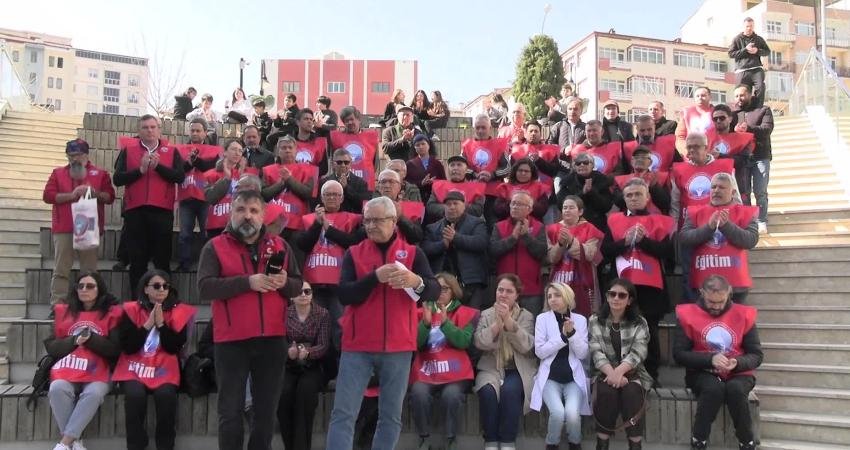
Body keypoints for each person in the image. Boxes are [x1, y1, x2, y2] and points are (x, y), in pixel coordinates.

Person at [325, 196, 440, 450]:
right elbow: (345, 294)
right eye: (367, 220)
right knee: (344, 414)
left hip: (398, 346)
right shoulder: (354, 253)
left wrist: (415, 281)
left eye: (377, 220)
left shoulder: (412, 253)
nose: (371, 225)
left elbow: (433, 290)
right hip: (358, 346)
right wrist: (374, 277)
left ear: (394, 221)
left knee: (390, 417)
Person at [197, 189, 303, 450]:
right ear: (231, 213)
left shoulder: (281, 246)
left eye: (254, 211)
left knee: (265, 413)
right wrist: (247, 283)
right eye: (241, 210)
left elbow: (297, 286)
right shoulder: (215, 247)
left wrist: (283, 282)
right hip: (231, 342)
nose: (247, 216)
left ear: (264, 216)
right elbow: (204, 288)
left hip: (272, 341)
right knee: (230, 412)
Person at [673, 275, 763, 450]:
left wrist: (737, 362)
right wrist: (710, 359)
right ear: (701, 293)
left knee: (735, 390)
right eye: (711, 302)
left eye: (721, 301)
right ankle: (699, 440)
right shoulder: (686, 314)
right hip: (702, 372)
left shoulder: (744, 314)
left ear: (729, 293)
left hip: (739, 373)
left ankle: (747, 442)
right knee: (713, 389)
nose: (716, 306)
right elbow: (679, 354)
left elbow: (756, 355)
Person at [113, 270, 196, 450]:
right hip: (134, 366)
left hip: (164, 366)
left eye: (165, 286)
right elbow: (128, 346)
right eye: (156, 286)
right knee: (135, 396)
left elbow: (174, 347)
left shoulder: (179, 311)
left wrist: (161, 325)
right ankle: (136, 444)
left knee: (166, 396)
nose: (161, 290)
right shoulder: (130, 309)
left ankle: (165, 445)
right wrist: (147, 326)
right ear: (146, 289)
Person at [603, 179, 675, 384]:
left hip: (650, 289)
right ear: (624, 199)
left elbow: (668, 253)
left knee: (649, 332)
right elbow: (605, 251)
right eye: (629, 195)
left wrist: (644, 241)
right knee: (618, 330)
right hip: (621, 287)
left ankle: (652, 375)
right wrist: (624, 242)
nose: (633, 198)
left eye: (638, 194)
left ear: (647, 197)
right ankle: (620, 372)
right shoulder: (614, 220)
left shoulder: (661, 220)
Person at [46, 271, 121, 450]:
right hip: (68, 370)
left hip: (99, 373)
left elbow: (115, 350)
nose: (84, 289)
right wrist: (74, 341)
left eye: (90, 286)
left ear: (99, 289)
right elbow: (52, 347)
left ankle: (64, 444)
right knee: (56, 388)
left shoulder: (112, 314)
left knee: (94, 394)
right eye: (80, 286)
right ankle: (75, 442)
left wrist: (91, 339)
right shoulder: (64, 312)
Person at [113, 115, 186, 294]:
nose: (150, 130)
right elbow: (117, 179)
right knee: (137, 260)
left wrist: (158, 167)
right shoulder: (128, 150)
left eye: (153, 127)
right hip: (135, 211)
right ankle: (137, 301)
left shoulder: (171, 150)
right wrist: (140, 170)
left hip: (162, 211)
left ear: (159, 129)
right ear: (139, 131)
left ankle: (165, 300)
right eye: (145, 127)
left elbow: (180, 177)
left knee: (162, 260)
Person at [409, 273, 479, 450]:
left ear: (453, 291)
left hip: (456, 373)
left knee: (451, 396)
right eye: (437, 288)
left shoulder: (467, 313)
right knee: (418, 393)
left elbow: (463, 341)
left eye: (445, 288)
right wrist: (425, 324)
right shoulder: (420, 311)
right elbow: (415, 344)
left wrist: (446, 323)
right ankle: (424, 438)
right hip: (427, 370)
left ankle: (450, 439)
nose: (440, 292)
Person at [43, 138, 115, 305]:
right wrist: (72, 195)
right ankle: (58, 305)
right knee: (61, 268)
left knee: (89, 270)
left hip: (89, 227)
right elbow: (48, 196)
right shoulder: (58, 173)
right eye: (70, 156)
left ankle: (88, 305)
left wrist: (94, 193)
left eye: (78, 155)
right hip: (64, 227)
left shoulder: (100, 173)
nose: (74, 159)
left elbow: (110, 197)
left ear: (86, 155)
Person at [296, 180, 364, 348]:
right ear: (321, 197)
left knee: (339, 328)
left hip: (339, 284)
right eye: (328, 194)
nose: (332, 198)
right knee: (313, 328)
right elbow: (302, 244)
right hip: (314, 284)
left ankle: (338, 368)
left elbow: (353, 243)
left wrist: (329, 229)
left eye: (336, 195)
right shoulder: (309, 218)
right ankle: (316, 368)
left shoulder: (353, 218)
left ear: (342, 198)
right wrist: (317, 225)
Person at [473, 274, 537, 450]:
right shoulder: (485, 315)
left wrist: (509, 322)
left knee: (510, 392)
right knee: (487, 392)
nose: (503, 294)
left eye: (509, 291)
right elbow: (479, 342)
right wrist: (496, 326)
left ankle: (508, 441)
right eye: (500, 290)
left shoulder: (526, 316)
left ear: (517, 295)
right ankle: (491, 441)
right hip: (491, 366)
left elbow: (527, 347)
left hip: (516, 368)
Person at [588, 278, 652, 450]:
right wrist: (612, 374)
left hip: (632, 373)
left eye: (622, 295)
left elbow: (639, 352)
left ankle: (635, 445)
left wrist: (619, 373)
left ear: (629, 300)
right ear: (607, 297)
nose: (616, 298)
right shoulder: (595, 320)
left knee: (632, 394)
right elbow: (596, 352)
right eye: (612, 294)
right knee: (606, 392)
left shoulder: (639, 322)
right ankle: (602, 444)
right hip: (603, 373)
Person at [679, 173, 759, 303]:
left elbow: (751, 240)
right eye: (713, 187)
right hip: (702, 284)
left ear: (733, 192)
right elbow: (684, 238)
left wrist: (726, 226)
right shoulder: (695, 212)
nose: (716, 190)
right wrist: (708, 228)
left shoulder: (746, 212)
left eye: (721, 187)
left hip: (735, 286)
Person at [530, 282, 591, 450]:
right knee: (557, 413)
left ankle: (575, 443)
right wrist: (562, 338)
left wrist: (572, 334)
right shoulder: (542, 319)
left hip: (573, 379)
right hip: (550, 378)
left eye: (557, 295)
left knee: (572, 415)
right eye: (549, 296)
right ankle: (552, 445)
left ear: (567, 296)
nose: (552, 299)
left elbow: (582, 353)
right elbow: (540, 352)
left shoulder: (580, 320)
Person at [277, 281, 330, 450]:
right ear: (292, 295)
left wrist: (308, 353)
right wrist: (288, 351)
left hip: (313, 365)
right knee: (283, 394)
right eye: (300, 291)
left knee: (305, 393)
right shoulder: (284, 313)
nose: (303, 295)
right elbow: (278, 341)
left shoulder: (323, 314)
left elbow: (323, 345)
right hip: (289, 365)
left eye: (307, 291)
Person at [422, 191, 490, 309]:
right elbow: (425, 248)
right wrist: (442, 244)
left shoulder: (477, 223)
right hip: (441, 284)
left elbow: (481, 243)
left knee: (470, 320)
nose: (452, 207)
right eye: (448, 204)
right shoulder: (432, 228)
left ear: (464, 205)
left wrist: (456, 238)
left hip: (471, 282)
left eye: (455, 203)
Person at [490, 191, 548, 316]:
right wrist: (513, 238)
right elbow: (493, 250)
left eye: (520, 204)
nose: (515, 207)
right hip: (505, 290)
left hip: (531, 289)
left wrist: (526, 236)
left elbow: (541, 253)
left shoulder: (539, 227)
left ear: (530, 209)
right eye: (513, 203)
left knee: (530, 327)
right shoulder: (499, 226)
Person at [547, 196, 605, 317]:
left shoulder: (590, 229)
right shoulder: (552, 229)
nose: (567, 210)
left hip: (583, 279)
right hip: (559, 279)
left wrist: (572, 241)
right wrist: (561, 244)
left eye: (571, 208)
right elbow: (551, 258)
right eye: (564, 208)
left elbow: (590, 254)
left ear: (580, 211)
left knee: (583, 316)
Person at [175, 119, 219, 271]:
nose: (194, 133)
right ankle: (184, 263)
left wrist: (195, 160)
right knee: (184, 234)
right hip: (186, 197)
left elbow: (209, 168)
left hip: (206, 198)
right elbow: (178, 171)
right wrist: (188, 163)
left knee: (206, 233)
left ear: (205, 132)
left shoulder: (213, 150)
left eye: (198, 130)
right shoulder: (180, 149)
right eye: (192, 130)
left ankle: (206, 265)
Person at [670, 132, 736, 229]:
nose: (692, 150)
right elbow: (675, 203)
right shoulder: (679, 170)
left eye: (696, 146)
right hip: (690, 225)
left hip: (719, 223)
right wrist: (674, 228)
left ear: (706, 148)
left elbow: (736, 198)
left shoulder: (724, 167)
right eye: (689, 147)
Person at [732, 84, 773, 233]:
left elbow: (767, 129)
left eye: (742, 95)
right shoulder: (734, 113)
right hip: (742, 158)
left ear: (750, 95)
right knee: (744, 192)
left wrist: (748, 129)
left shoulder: (763, 109)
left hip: (760, 157)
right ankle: (749, 220)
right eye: (736, 96)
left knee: (760, 191)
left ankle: (761, 220)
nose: (739, 99)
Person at [262, 135, 318, 241]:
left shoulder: (308, 169)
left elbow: (308, 194)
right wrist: (280, 184)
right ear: (278, 151)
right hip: (274, 223)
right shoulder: (267, 170)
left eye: (290, 147)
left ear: (296, 150)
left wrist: (289, 179)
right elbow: (264, 195)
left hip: (298, 224)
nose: (287, 150)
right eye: (283, 148)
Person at [554, 152, 614, 235]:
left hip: (596, 224)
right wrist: (583, 193)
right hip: (573, 225)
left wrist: (592, 192)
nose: (582, 165)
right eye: (578, 163)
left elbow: (606, 206)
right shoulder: (566, 182)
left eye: (585, 162)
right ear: (574, 166)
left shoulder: (602, 180)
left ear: (592, 165)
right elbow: (561, 204)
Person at [203, 139, 252, 239]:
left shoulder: (245, 175)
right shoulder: (210, 174)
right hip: (216, 224)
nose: (237, 153)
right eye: (234, 149)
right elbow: (211, 198)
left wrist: (242, 175)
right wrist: (227, 178)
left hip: (238, 224)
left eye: (240, 151)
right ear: (224, 152)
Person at [707, 104, 754, 206]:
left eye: (722, 118)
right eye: (715, 119)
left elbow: (743, 161)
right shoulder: (705, 138)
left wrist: (720, 155)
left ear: (730, 119)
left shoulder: (743, 139)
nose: (718, 121)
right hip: (713, 184)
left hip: (737, 183)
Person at [330, 106, 380, 191]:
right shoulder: (336, 137)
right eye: (346, 121)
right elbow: (334, 161)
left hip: (366, 182)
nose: (349, 122)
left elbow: (375, 163)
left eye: (351, 119)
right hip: (343, 183)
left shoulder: (371, 137)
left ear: (359, 120)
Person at [426, 155, 486, 223]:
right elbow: (430, 206)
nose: (455, 168)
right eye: (452, 165)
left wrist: (455, 209)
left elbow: (478, 210)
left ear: (466, 169)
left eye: (459, 165)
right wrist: (449, 210)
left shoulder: (476, 187)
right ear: (448, 169)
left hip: (468, 224)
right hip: (443, 223)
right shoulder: (438, 186)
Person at [613, 147, 672, 216]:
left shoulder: (661, 177)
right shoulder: (621, 180)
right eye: (636, 157)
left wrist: (654, 186)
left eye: (644, 157)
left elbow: (665, 203)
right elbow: (618, 203)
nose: (640, 160)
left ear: (650, 162)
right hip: (629, 219)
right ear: (632, 161)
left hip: (655, 219)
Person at [728, 17, 770, 109]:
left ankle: (758, 109)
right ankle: (742, 113)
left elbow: (767, 51)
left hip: (756, 69)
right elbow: (731, 54)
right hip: (742, 71)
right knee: (741, 93)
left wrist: (757, 51)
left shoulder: (758, 39)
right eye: (747, 26)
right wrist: (745, 50)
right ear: (743, 27)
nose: (749, 28)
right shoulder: (737, 39)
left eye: (751, 26)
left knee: (760, 87)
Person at [492, 158, 551, 222]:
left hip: (532, 225)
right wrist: (513, 201)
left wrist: (527, 201)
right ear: (515, 171)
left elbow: (542, 211)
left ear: (532, 173)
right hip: (508, 224)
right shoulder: (504, 187)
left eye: (526, 171)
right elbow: (498, 210)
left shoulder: (540, 188)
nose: (523, 173)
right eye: (520, 170)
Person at [375, 169, 424, 243]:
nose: (387, 185)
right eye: (383, 182)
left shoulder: (411, 207)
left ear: (399, 187)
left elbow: (418, 236)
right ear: (378, 187)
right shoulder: (370, 207)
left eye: (391, 182)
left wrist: (401, 218)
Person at [318, 148, 371, 214]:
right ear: (333, 164)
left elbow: (363, 205)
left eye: (346, 162)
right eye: (339, 162)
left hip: (352, 221)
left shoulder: (361, 183)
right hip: (330, 220)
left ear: (350, 163)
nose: (343, 165)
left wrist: (346, 188)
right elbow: (319, 204)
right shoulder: (324, 182)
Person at [511, 121, 561, 187]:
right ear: (525, 134)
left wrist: (539, 161)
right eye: (531, 131)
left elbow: (554, 171)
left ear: (540, 135)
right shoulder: (516, 150)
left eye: (536, 131)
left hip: (545, 190)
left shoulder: (550, 150)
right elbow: (512, 173)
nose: (533, 133)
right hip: (522, 189)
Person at [406, 134, 446, 205]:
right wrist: (421, 183)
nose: (421, 147)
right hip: (416, 199)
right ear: (414, 148)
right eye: (417, 145)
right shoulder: (410, 164)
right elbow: (407, 183)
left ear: (429, 145)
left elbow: (444, 181)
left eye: (423, 144)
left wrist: (435, 182)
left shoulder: (437, 164)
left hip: (434, 200)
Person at [291, 108, 329, 177]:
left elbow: (324, 169)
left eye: (311, 119)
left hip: (311, 184)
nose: (309, 121)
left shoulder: (319, 143)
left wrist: (306, 172)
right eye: (306, 119)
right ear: (298, 122)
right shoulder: (289, 141)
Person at [676, 87, 714, 154]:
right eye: (697, 96)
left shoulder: (716, 113)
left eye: (703, 95)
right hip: (691, 155)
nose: (700, 98)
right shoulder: (686, 112)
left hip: (712, 155)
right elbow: (680, 136)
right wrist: (686, 152)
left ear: (710, 97)